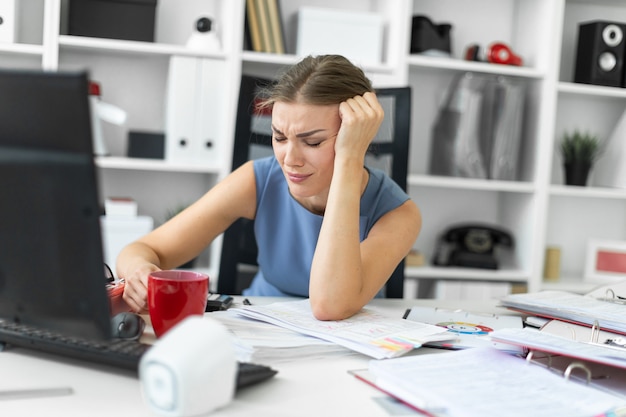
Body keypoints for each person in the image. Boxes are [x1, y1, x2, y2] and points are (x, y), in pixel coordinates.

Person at [116, 54, 421, 321]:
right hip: (259, 326)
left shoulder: (397, 213)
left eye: (312, 142)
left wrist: (350, 160)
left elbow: (330, 306)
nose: (290, 159)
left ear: (356, 137)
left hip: (348, 347)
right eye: (279, 137)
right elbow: (141, 250)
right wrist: (139, 271)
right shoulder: (259, 179)